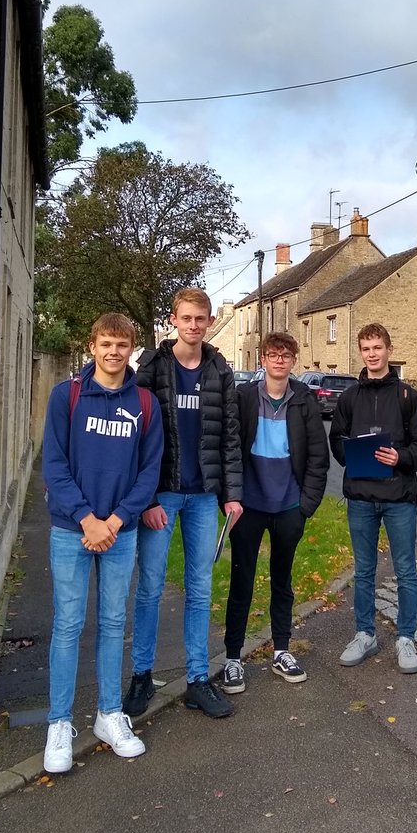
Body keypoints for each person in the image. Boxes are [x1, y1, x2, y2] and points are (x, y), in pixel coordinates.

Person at [41, 313, 163, 774]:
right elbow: (54, 465)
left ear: (132, 349)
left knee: (114, 622)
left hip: (120, 531)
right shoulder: (66, 397)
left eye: (122, 344)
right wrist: (88, 519)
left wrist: (113, 520)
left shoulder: (145, 404)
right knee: (68, 626)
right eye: (106, 343)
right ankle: (58, 724)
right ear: (92, 346)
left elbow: (148, 472)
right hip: (71, 530)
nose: (114, 352)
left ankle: (110, 715)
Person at [124, 288, 243, 720]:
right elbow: (134, 435)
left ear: (210, 321)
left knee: (199, 589)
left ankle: (197, 679)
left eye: (201, 319)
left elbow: (230, 436)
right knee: (151, 587)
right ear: (174, 319)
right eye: (186, 318)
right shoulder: (153, 368)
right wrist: (149, 497)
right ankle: (141, 675)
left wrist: (232, 495)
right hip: (163, 496)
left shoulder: (219, 370)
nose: (194, 325)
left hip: (204, 496)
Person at [222, 332, 329, 694]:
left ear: (293, 360)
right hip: (249, 505)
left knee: (282, 582)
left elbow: (318, 457)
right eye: (273, 355)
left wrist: (306, 506)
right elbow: (231, 449)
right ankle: (233, 657)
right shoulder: (244, 398)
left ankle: (281, 649)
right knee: (242, 580)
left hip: (288, 507)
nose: (279, 361)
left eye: (286, 355)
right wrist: (231, 495)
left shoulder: (305, 401)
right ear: (263, 360)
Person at [329, 323, 417, 674]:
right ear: (360, 352)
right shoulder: (349, 397)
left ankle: (406, 637)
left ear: (389, 349)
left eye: (377, 347)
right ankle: (365, 634)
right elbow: (337, 440)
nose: (372, 354)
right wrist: (351, 451)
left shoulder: (407, 397)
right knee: (364, 571)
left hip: (399, 497)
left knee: (405, 570)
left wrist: (400, 458)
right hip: (360, 496)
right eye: (366, 348)